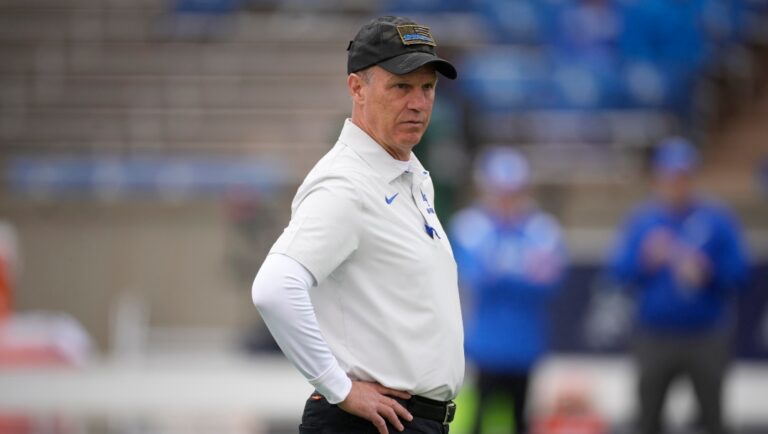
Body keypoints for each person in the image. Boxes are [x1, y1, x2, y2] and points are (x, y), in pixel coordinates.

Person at [251, 16, 463, 434]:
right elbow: (275, 288)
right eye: (401, 86)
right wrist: (339, 388)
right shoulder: (347, 183)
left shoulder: (409, 175)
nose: (418, 102)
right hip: (369, 423)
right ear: (357, 89)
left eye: (428, 87)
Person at [609, 137, 750, 434]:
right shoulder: (643, 220)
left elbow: (739, 273)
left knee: (712, 416)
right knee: (648, 416)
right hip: (654, 335)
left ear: (693, 177)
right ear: (658, 178)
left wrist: (707, 272)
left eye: (683, 176)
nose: (676, 184)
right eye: (669, 176)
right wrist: (645, 260)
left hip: (706, 335)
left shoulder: (717, 219)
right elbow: (618, 273)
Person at [450, 148, 566, 434]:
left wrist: (502, 270)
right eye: (500, 191)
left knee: (519, 418)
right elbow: (476, 277)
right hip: (484, 344)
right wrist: (523, 270)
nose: (506, 200)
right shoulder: (470, 225)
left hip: (524, 344)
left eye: (513, 192)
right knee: (478, 416)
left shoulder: (542, 228)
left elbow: (551, 281)